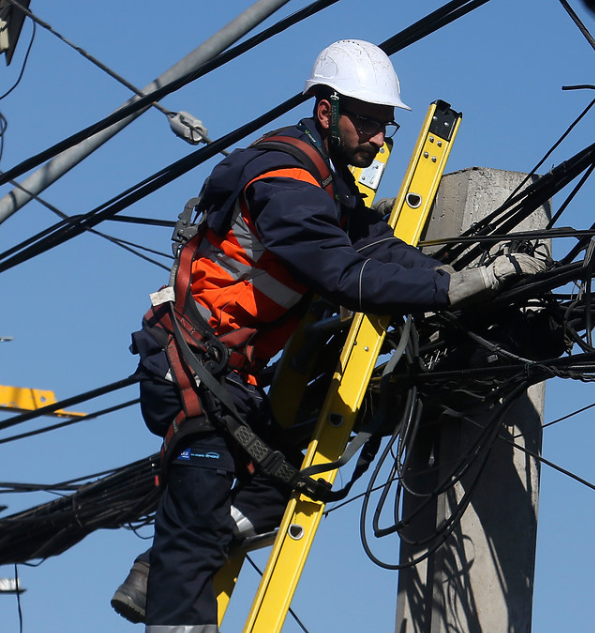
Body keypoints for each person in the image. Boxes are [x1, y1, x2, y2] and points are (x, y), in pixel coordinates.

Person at [110, 39, 545, 631]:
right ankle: (170, 569)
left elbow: (377, 247)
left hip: (231, 378)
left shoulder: (327, 183)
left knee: (283, 483)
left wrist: (458, 277)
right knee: (193, 528)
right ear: (325, 110)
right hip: (191, 372)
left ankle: (154, 567)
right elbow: (344, 276)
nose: (377, 137)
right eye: (366, 121)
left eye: (384, 125)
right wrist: (453, 290)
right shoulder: (287, 185)